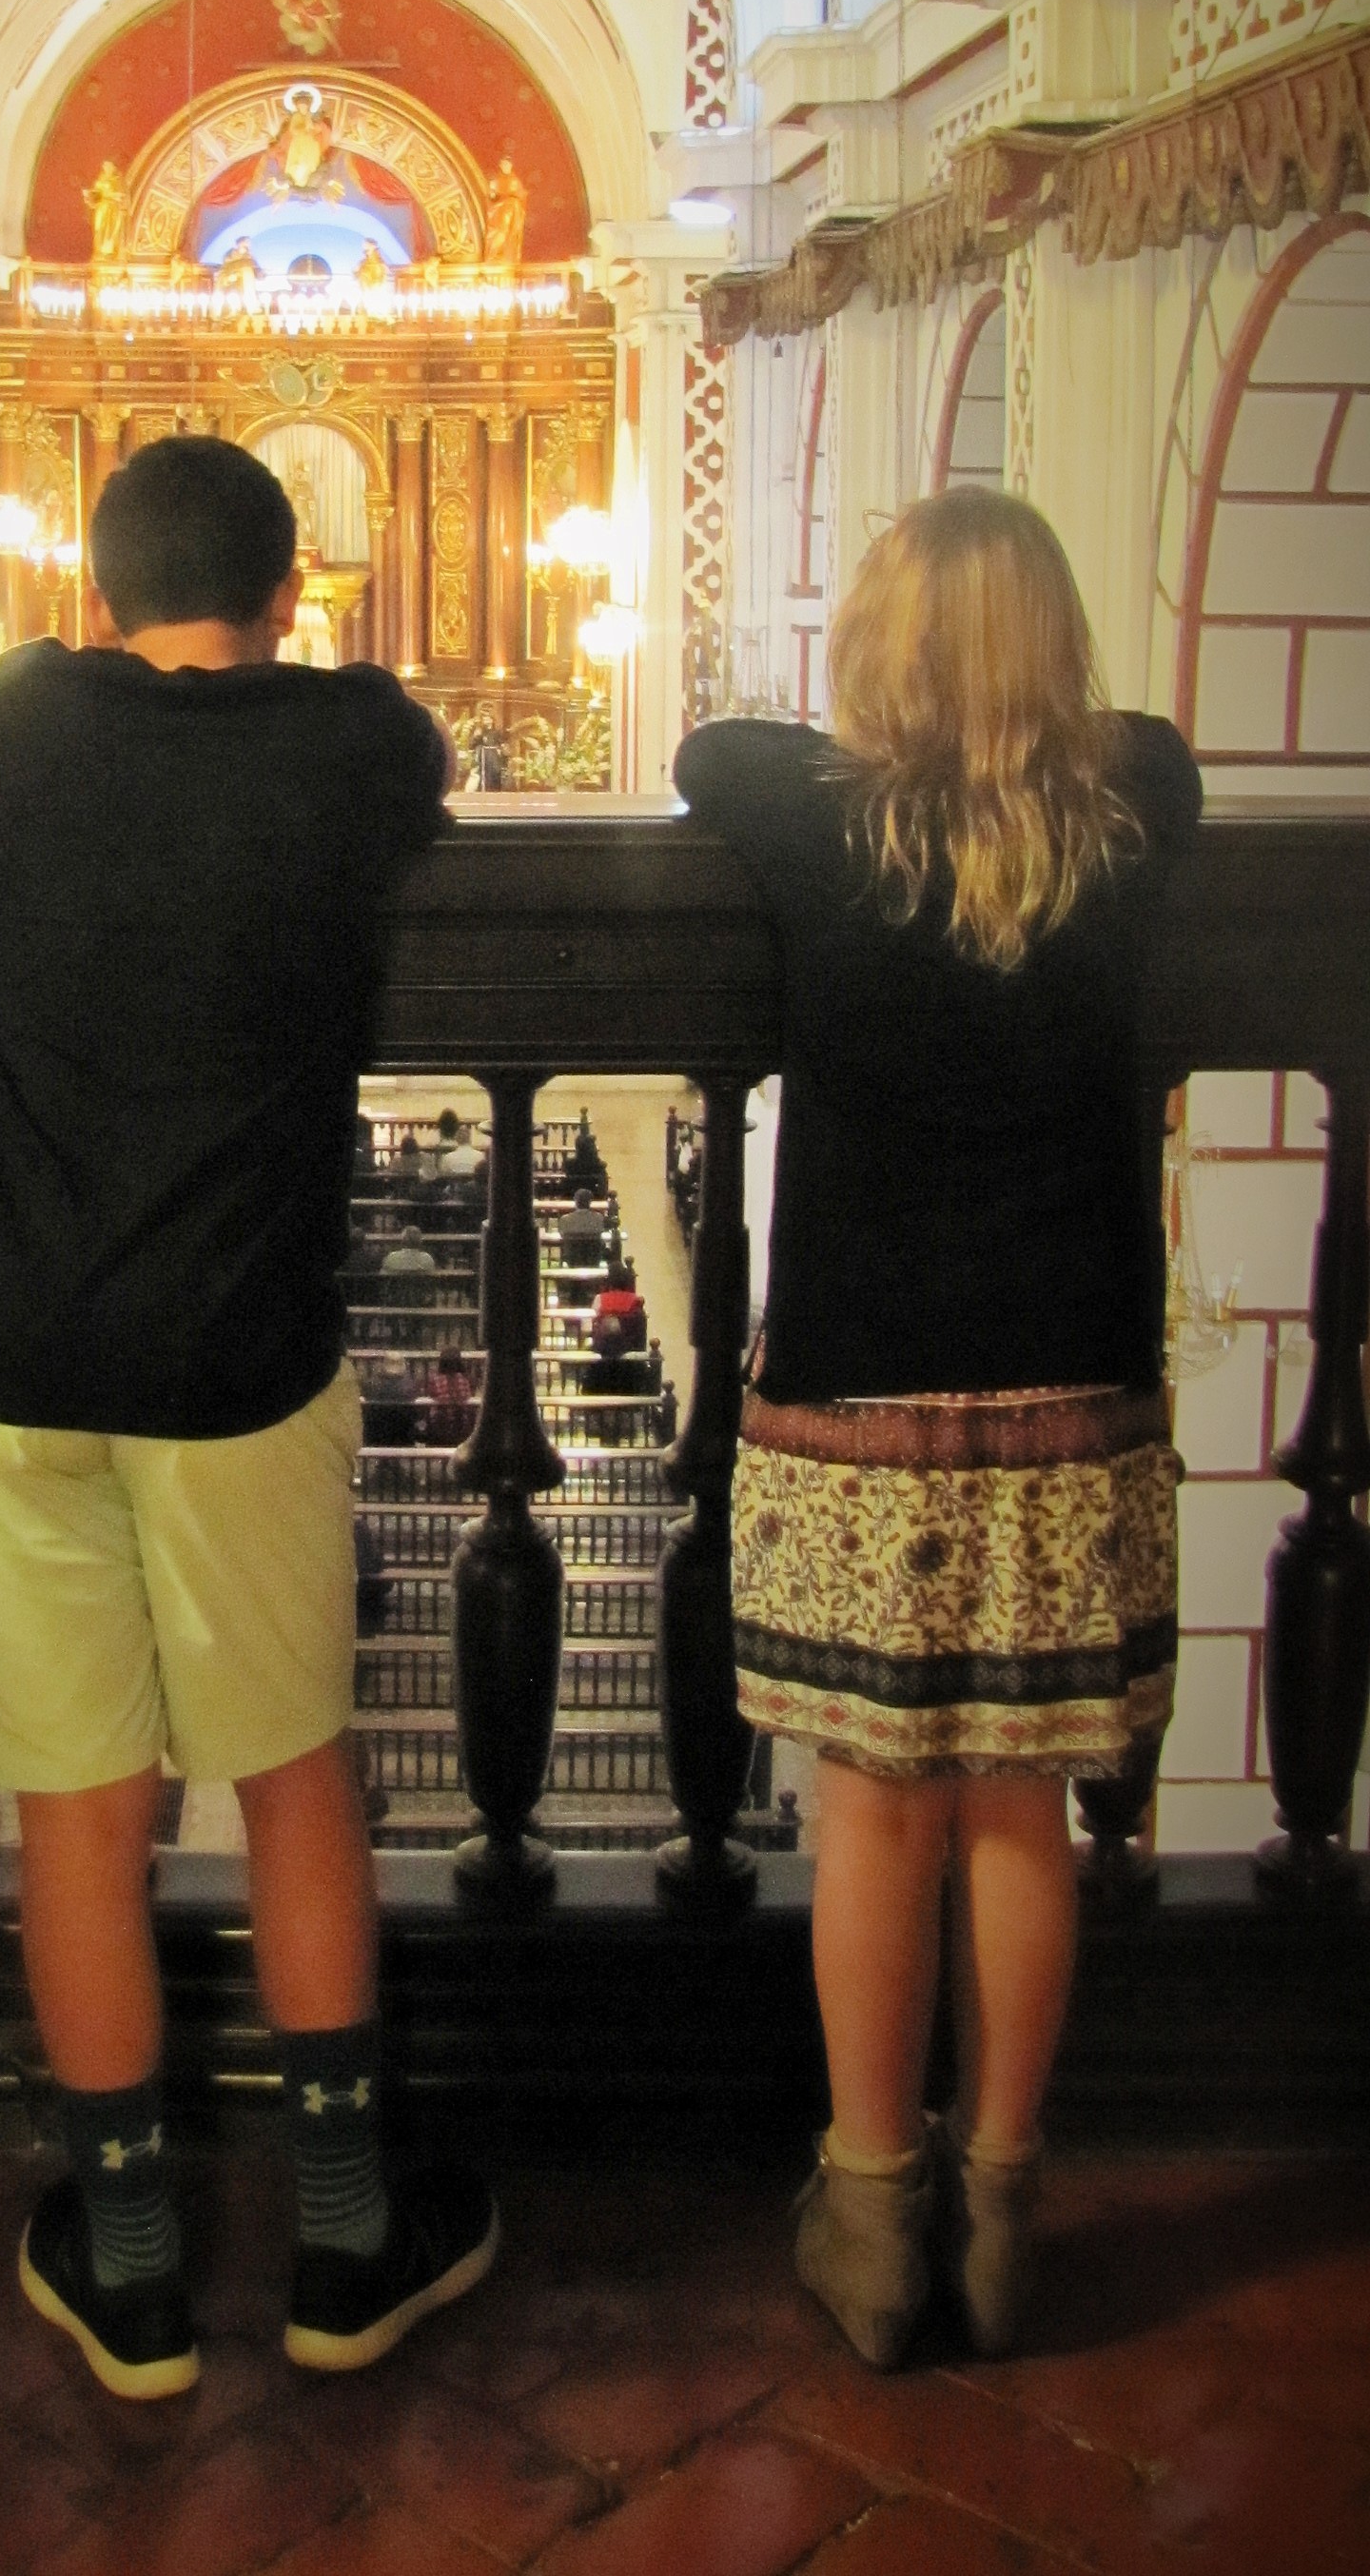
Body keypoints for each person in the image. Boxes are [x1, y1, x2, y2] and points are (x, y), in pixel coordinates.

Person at [0, 436, 497, 2399]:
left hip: (5, 1343)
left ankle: (135, 2270)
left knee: (77, 1810)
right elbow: (388, 736)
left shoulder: (11, 720)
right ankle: (345, 2248)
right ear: (291, 593)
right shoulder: (354, 754)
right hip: (236, 1345)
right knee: (292, 1777)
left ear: (89, 593)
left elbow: (52, 686)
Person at [674, 490, 1199, 2372]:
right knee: (1025, 1812)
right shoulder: (1136, 817)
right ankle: (1002, 2204)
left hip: (859, 1386)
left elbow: (703, 742)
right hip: (1072, 1378)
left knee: (876, 1815)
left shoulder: (819, 827)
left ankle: (872, 2212)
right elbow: (1147, 741)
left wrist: (884, 729)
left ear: (878, 653)